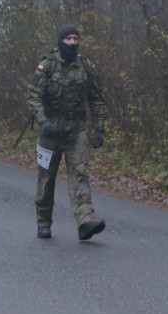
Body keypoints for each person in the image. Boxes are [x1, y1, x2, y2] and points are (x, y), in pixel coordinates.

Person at [26, 25, 108, 241]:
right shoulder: (47, 66)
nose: (72, 42)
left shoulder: (86, 66)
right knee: (46, 178)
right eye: (68, 38)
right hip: (50, 131)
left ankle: (85, 222)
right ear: (60, 41)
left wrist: (99, 127)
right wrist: (42, 122)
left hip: (76, 131)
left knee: (79, 174)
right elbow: (33, 97)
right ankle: (43, 222)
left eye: (75, 38)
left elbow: (97, 98)